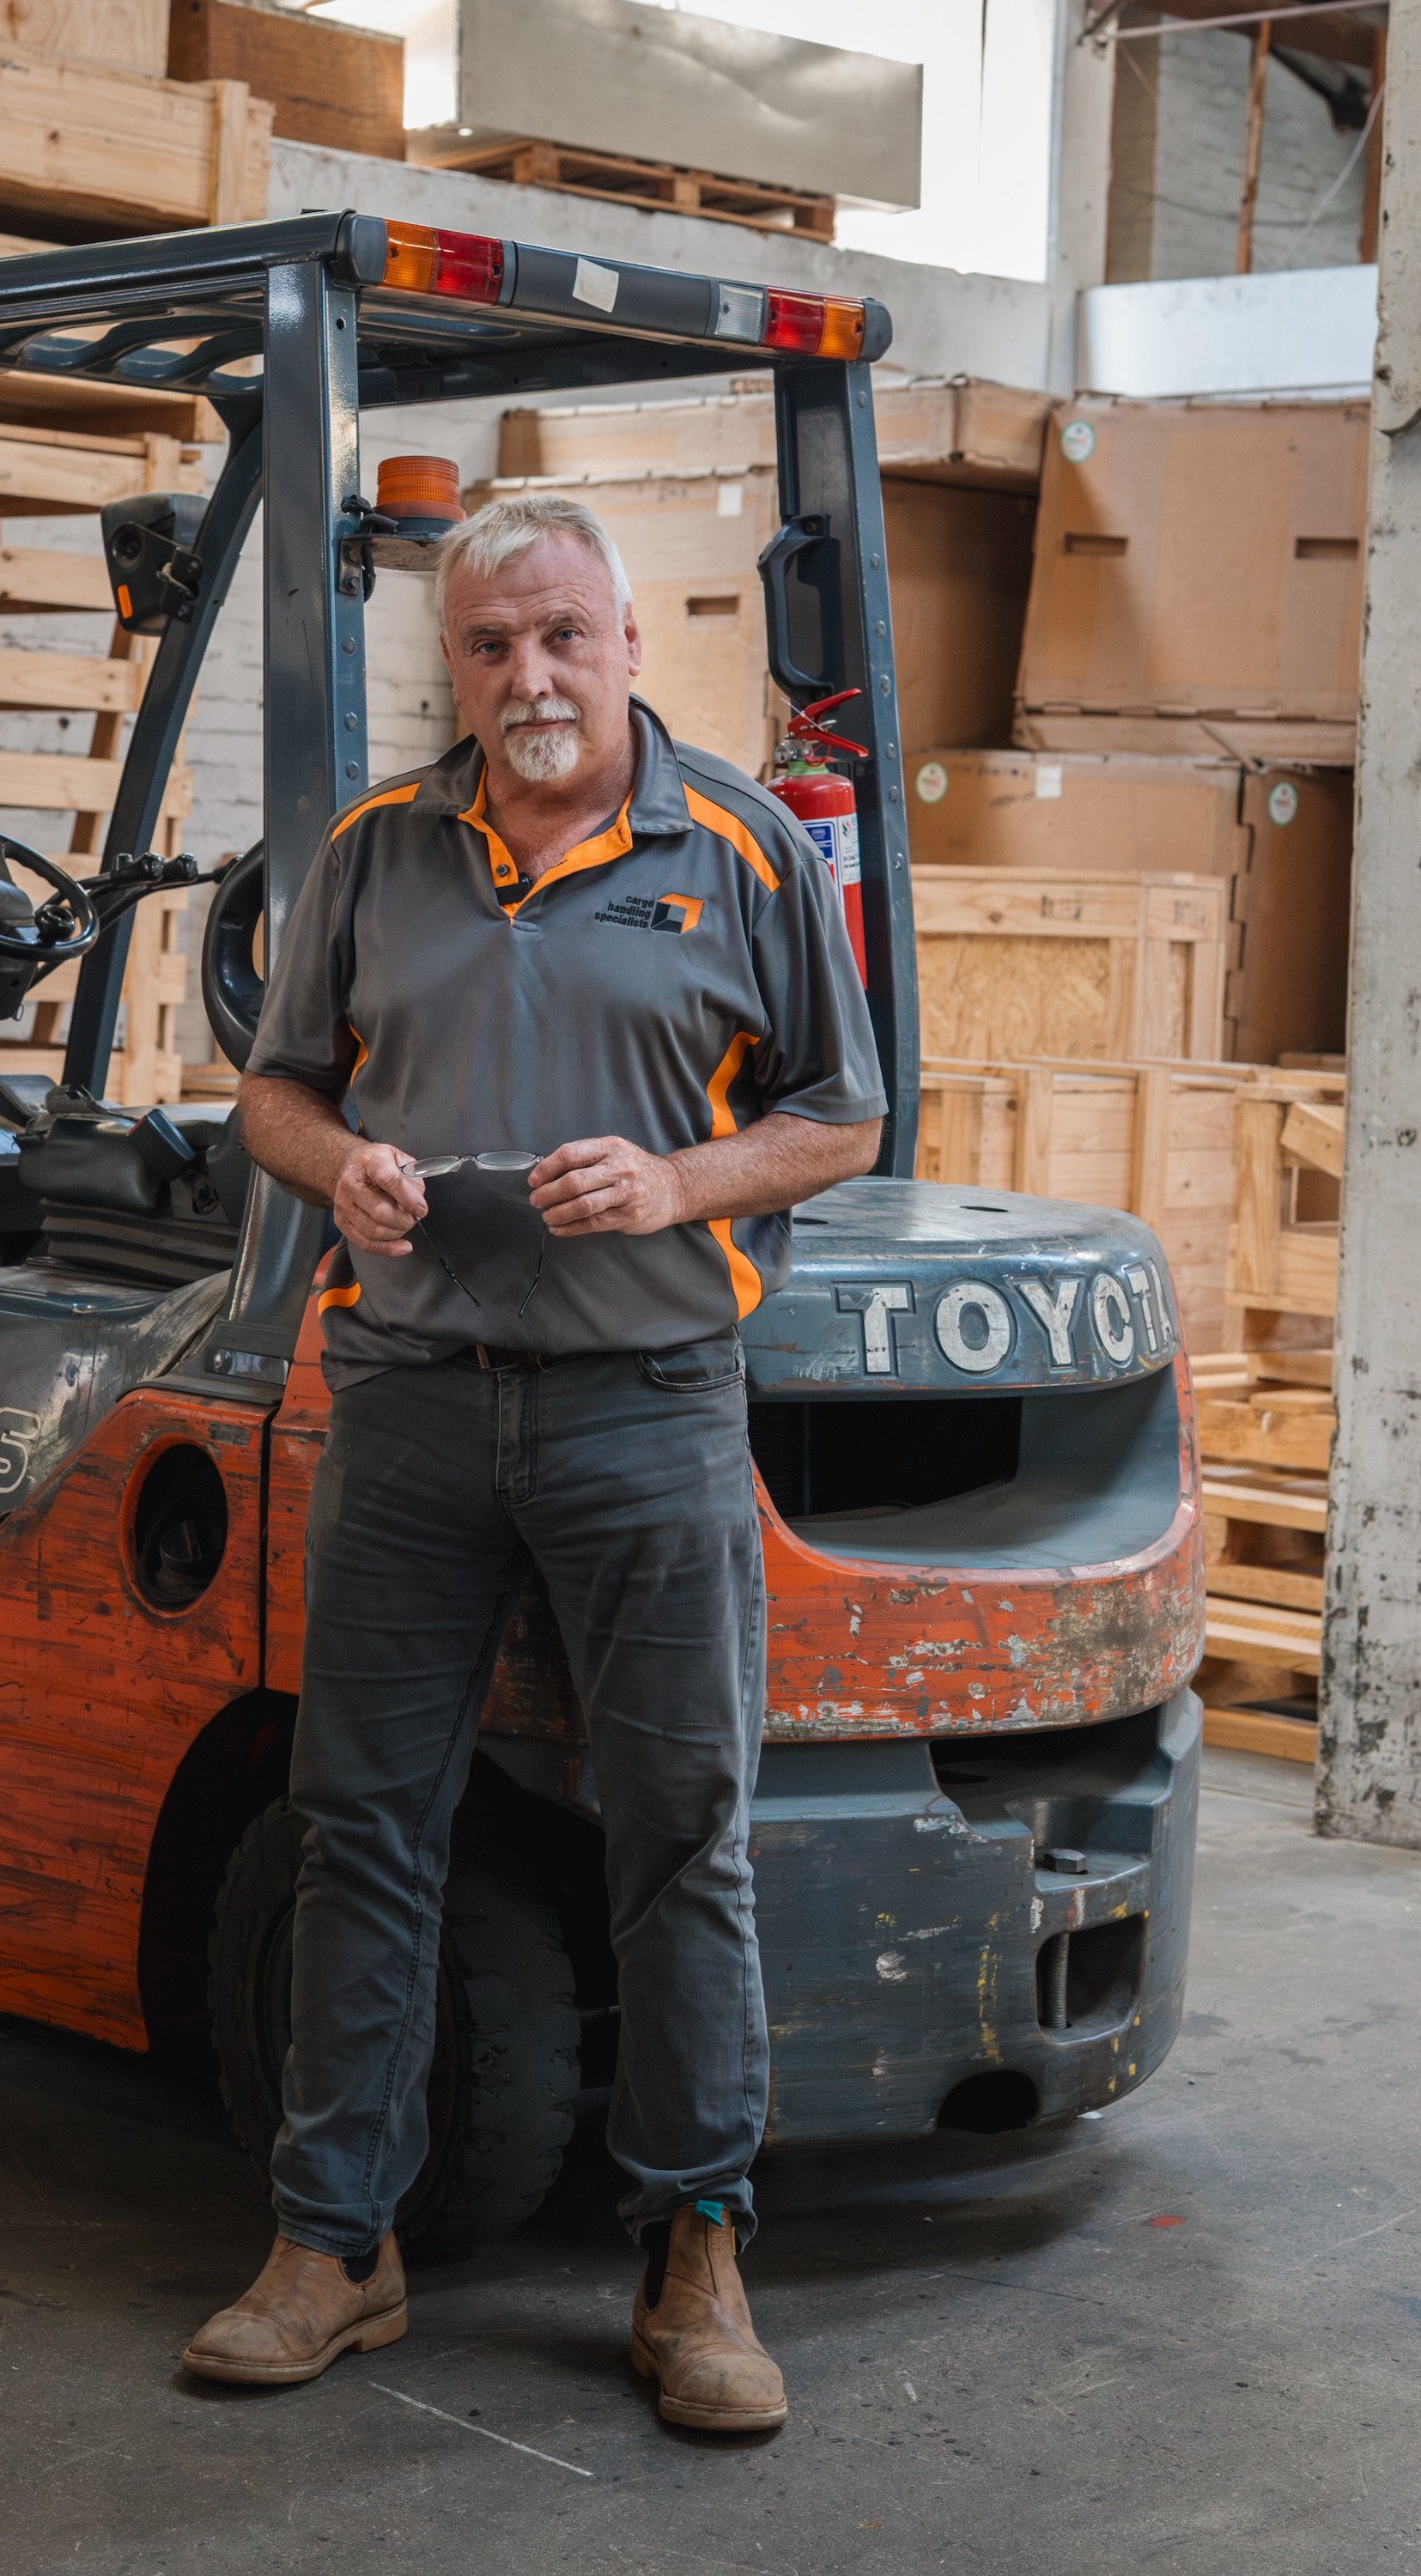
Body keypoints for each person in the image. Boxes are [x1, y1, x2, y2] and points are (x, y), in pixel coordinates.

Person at [183, 492, 885, 2433]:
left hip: (647, 1404)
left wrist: (674, 1180)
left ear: (628, 645)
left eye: (563, 637)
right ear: (455, 669)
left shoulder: (738, 846)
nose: (530, 678)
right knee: (360, 1828)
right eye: (490, 646)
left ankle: (697, 2259)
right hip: (406, 1405)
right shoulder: (377, 850)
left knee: (681, 1838)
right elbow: (272, 1083)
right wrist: (344, 1166)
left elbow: (844, 1117)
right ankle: (337, 2243)